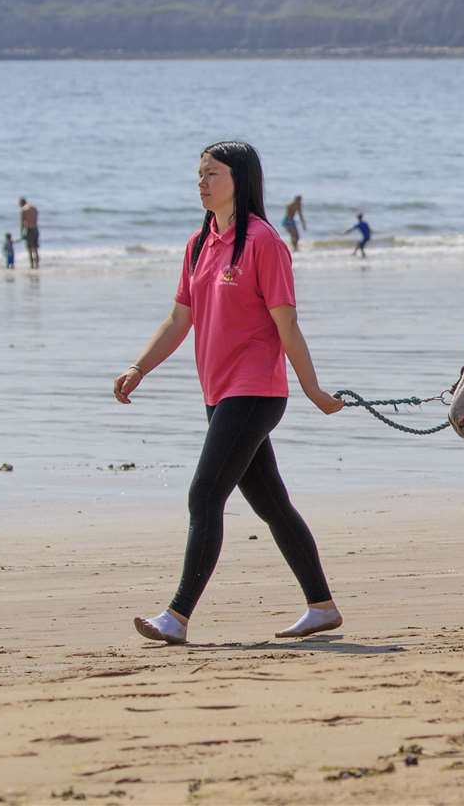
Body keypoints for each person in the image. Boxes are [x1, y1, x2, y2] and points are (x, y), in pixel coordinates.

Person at [114, 141, 346, 645]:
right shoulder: (198, 246)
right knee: (272, 504)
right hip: (219, 394)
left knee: (205, 493)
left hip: (256, 392)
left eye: (211, 174)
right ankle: (322, 607)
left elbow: (288, 324)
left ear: (238, 179)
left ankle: (176, 616)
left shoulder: (264, 242)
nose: (201, 183)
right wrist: (139, 367)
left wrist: (313, 389)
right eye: (198, 174)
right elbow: (180, 319)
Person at [19, 198, 40, 269]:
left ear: (21, 203)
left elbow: (22, 222)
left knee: (30, 249)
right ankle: (37, 264)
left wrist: (22, 232)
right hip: (35, 228)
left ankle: (31, 265)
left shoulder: (23, 210)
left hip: (29, 230)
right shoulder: (34, 208)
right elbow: (36, 218)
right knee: (36, 248)